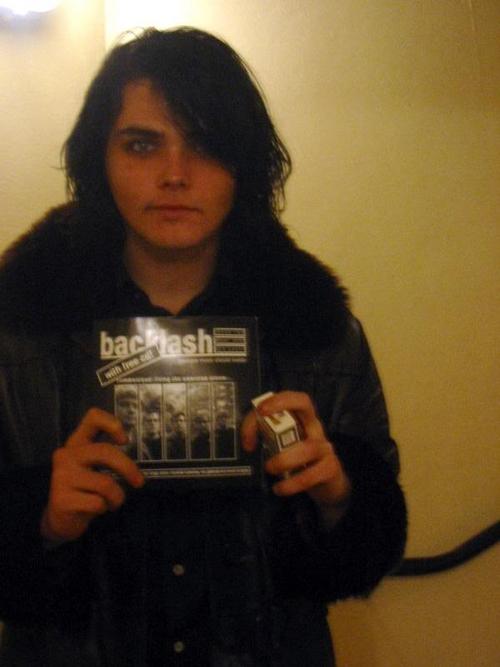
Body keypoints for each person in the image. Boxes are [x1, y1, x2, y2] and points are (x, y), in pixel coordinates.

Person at [0, 27, 406, 666]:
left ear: (245, 164)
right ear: (99, 159)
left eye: (207, 144)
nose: (175, 175)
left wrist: (338, 497)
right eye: (142, 144)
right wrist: (41, 521)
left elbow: (371, 549)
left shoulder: (314, 329)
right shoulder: (19, 330)